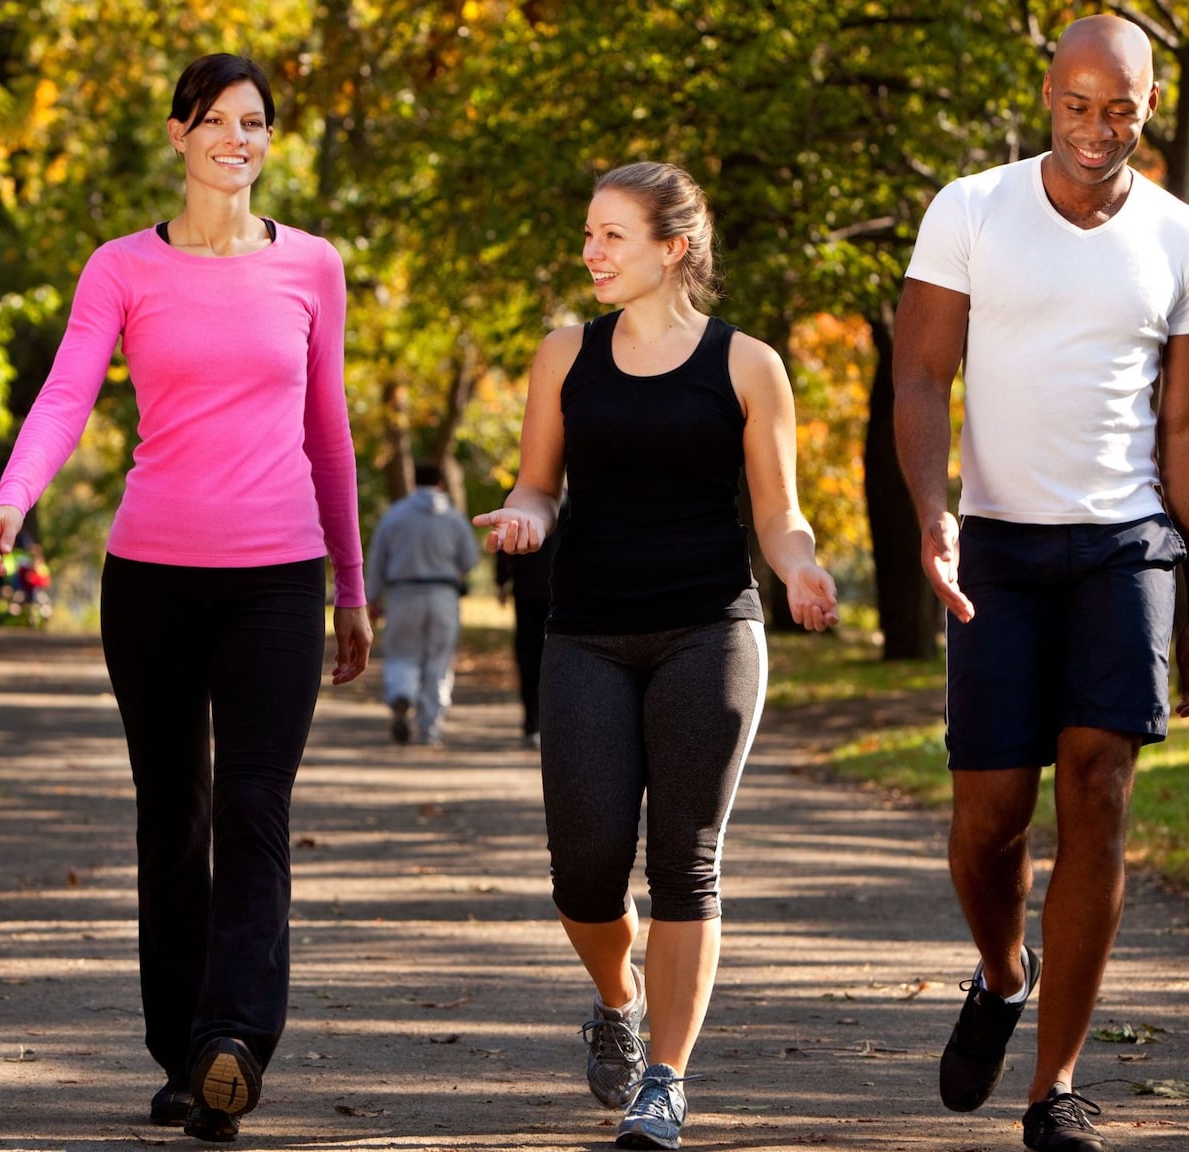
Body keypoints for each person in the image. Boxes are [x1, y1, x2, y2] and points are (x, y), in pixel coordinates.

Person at [0, 53, 371, 1145]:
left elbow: (326, 433)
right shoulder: (119, 269)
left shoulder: (313, 268)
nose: (239, 138)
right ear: (178, 132)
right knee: (172, 815)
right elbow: (64, 394)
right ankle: (180, 1050)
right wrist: (14, 500)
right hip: (148, 580)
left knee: (252, 808)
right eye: (218, 120)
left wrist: (349, 583)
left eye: (256, 123)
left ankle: (232, 1040)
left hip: (277, 581)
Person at [891, 15, 1189, 1151]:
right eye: (1076, 106)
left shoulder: (1185, 238)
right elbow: (920, 373)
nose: (1096, 129)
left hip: (1123, 548)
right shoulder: (970, 209)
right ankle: (1000, 972)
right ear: (1047, 95)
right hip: (996, 544)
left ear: (1145, 106)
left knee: (1096, 794)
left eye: (1118, 108)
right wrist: (931, 513)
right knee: (988, 820)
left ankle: (1056, 1090)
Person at [474, 161, 839, 1150]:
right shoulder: (563, 357)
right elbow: (539, 486)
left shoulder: (747, 365)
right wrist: (520, 514)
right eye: (589, 233)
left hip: (708, 628)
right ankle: (616, 995)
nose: (590, 251)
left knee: (685, 860)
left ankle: (665, 1083)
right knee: (584, 871)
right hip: (586, 630)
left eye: (611, 236)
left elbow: (777, 513)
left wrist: (800, 569)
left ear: (670, 248)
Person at [364, 461, 480, 748]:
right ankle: (430, 727)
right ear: (441, 483)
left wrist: (372, 598)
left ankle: (401, 694)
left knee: (402, 653)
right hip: (443, 594)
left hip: (404, 594)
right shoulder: (453, 518)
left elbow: (377, 560)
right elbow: (470, 559)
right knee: (438, 662)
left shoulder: (394, 516)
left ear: (414, 481)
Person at [493, 501, 563, 747]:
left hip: (545, 592)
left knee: (536, 654)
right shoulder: (524, 499)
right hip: (543, 592)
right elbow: (504, 541)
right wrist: (501, 580)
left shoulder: (573, 497)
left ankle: (538, 718)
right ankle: (535, 718)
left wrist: (501, 580)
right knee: (533, 655)